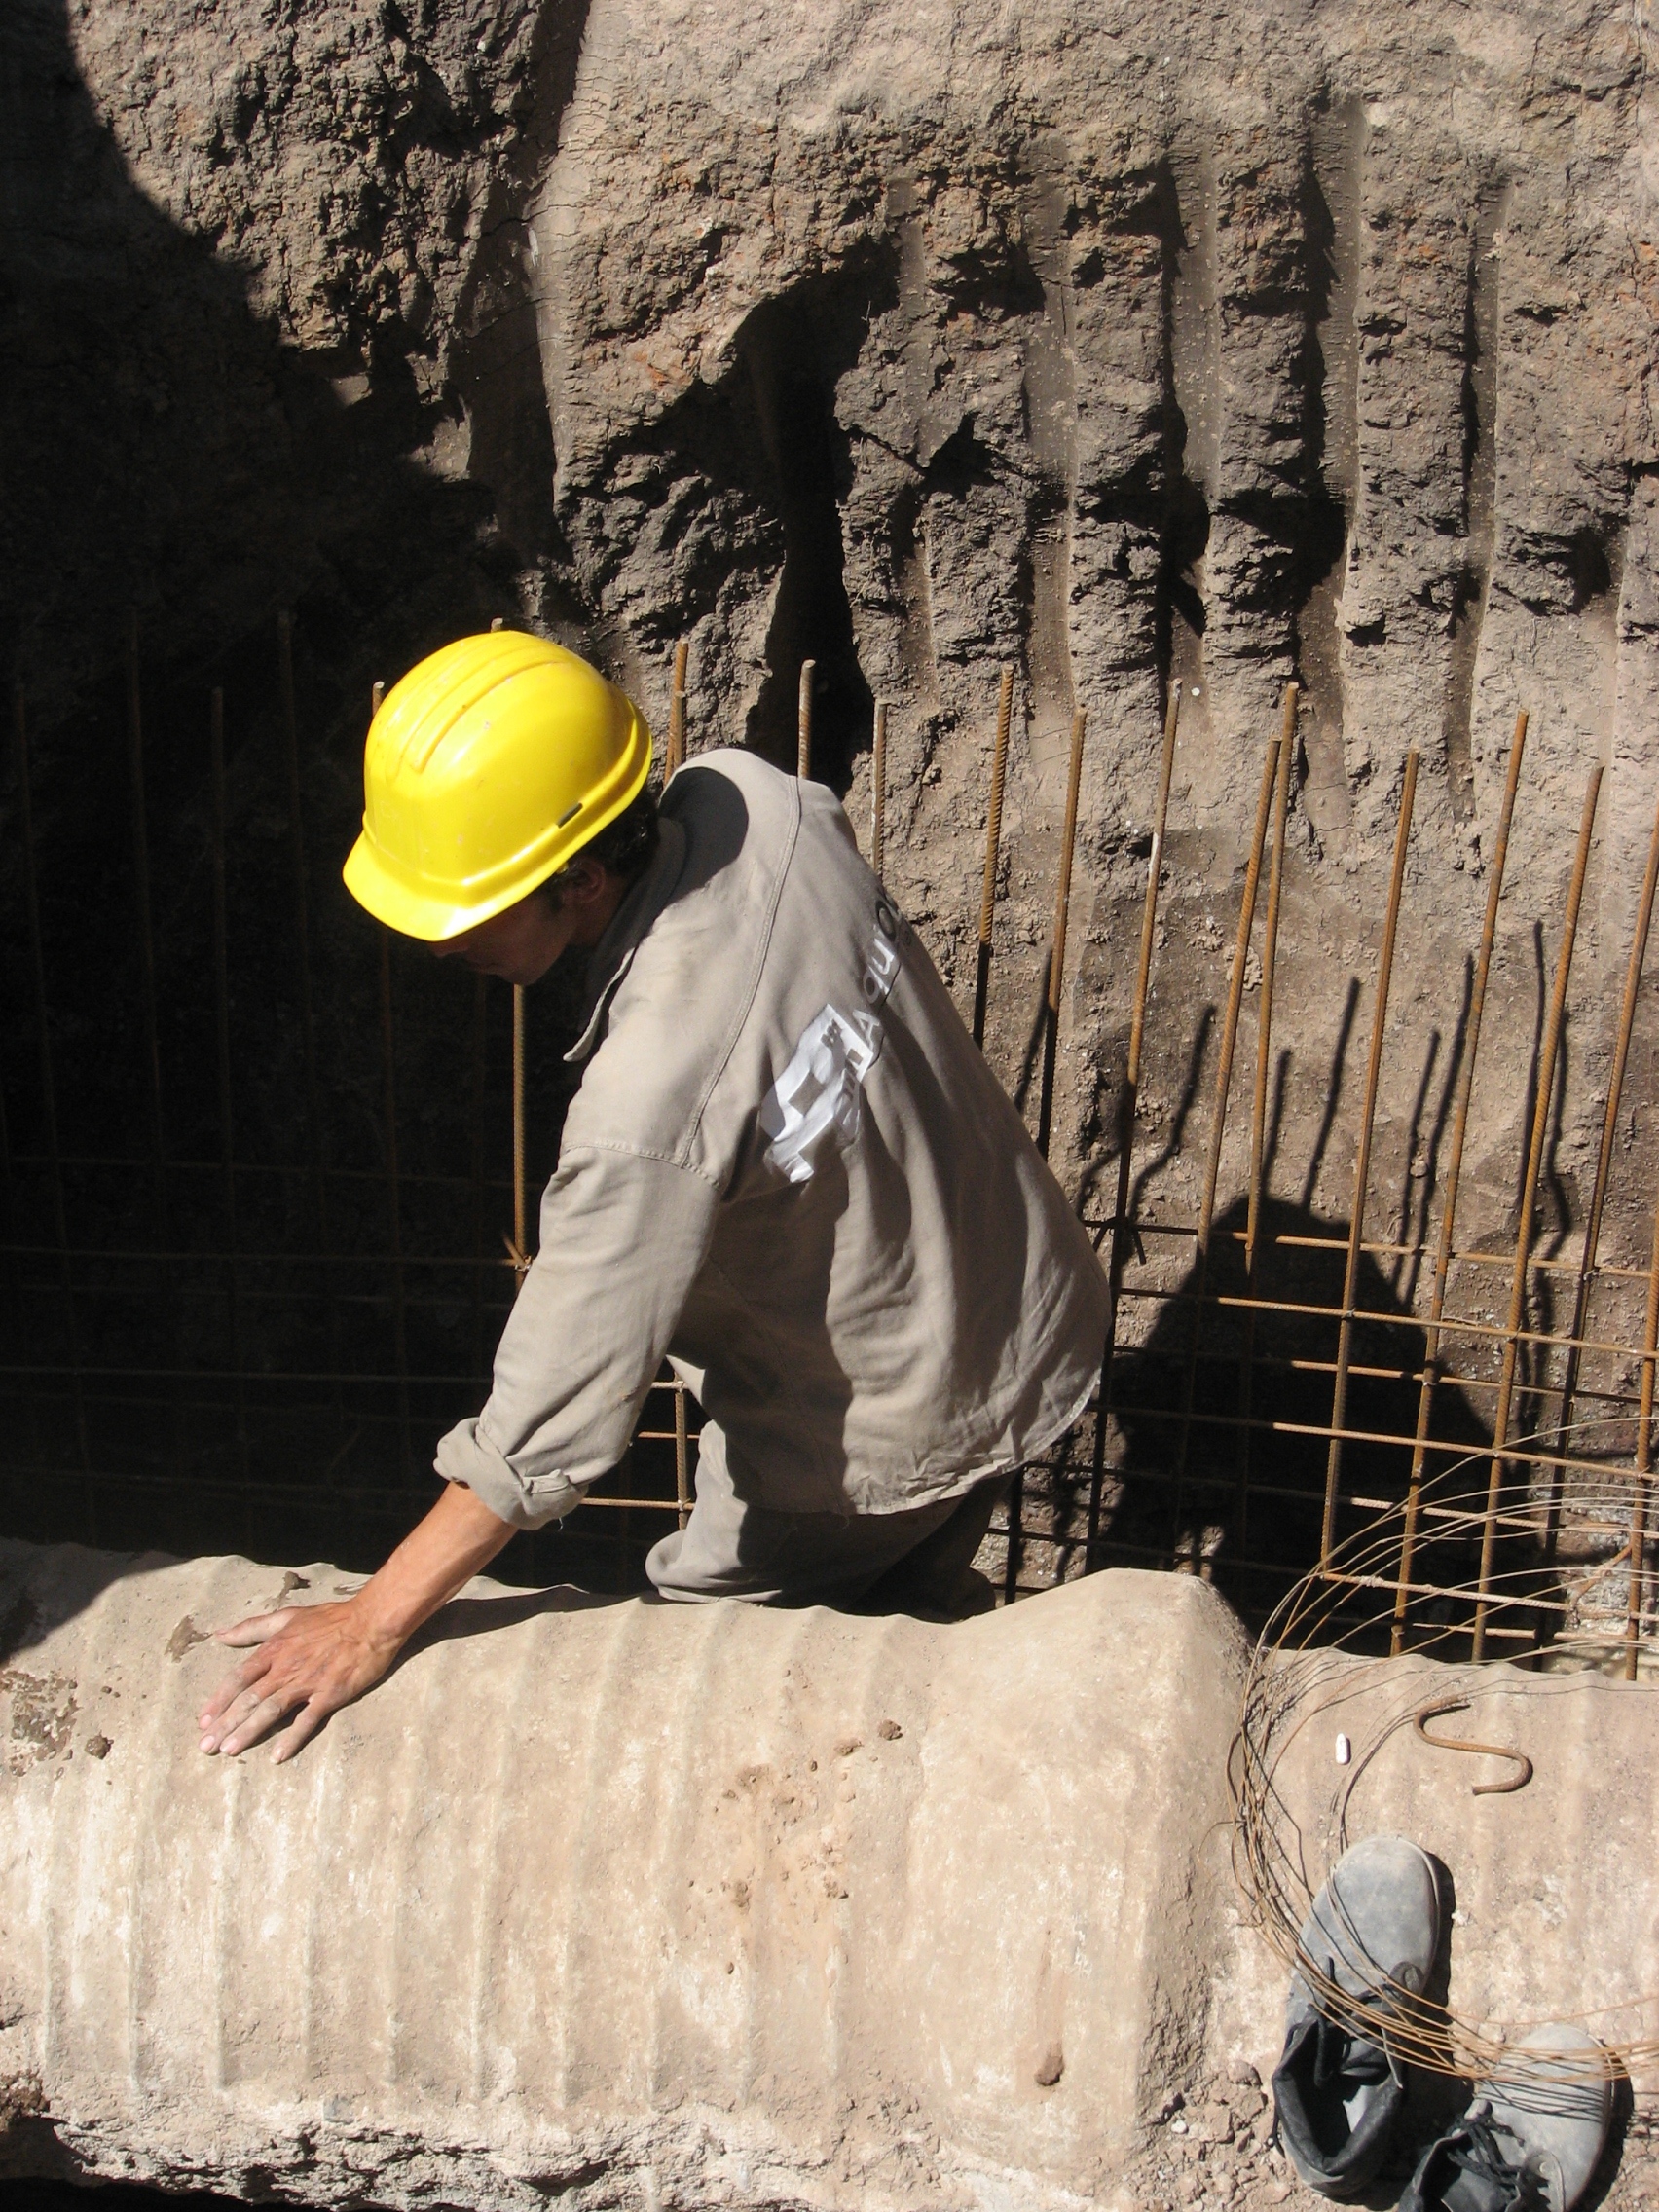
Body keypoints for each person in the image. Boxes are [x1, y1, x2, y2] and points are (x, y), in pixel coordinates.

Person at [197, 632, 1109, 1762]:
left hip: (875, 1437)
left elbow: (550, 1424)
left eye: (465, 909)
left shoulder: (649, 1104)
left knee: (715, 1670)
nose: (442, 946)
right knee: (906, 1604)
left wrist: (371, 1619)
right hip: (1022, 1293)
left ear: (580, 875)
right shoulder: (756, 799)